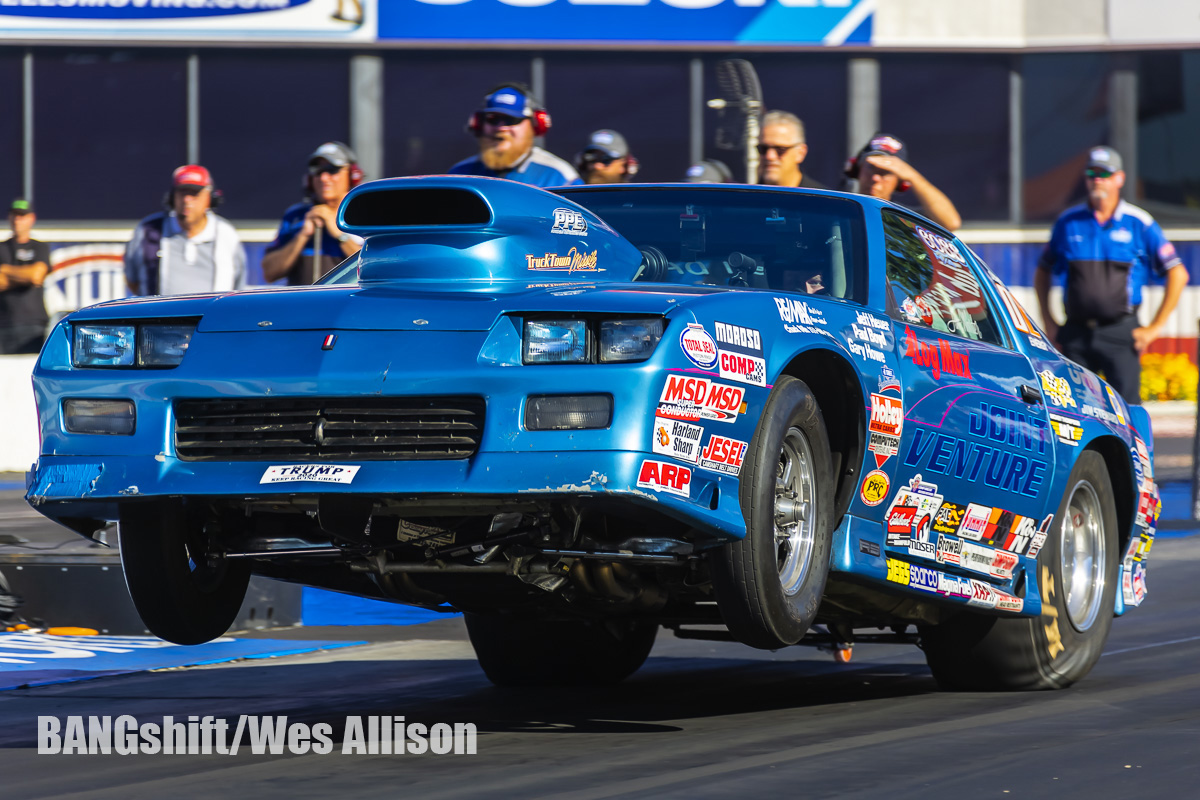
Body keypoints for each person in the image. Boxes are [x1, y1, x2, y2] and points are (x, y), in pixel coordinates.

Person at [1034, 146, 1189, 404]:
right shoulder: (1068, 222)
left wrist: (1154, 328)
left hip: (1120, 334)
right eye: (1092, 173)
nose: (1097, 179)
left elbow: (1178, 273)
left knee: (1127, 411)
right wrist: (1048, 321)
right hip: (1076, 335)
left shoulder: (1139, 223)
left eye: (1104, 173)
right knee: (1073, 410)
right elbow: (1043, 270)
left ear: (1119, 179)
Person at [125, 166, 247, 297]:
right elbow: (132, 280)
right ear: (172, 197)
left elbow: (238, 287)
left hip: (213, 317)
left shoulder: (226, 234)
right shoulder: (149, 230)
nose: (187, 200)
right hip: (159, 316)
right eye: (182, 193)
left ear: (209, 198)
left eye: (194, 193)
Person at [261, 142, 365, 285]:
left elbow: (376, 267)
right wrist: (302, 236)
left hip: (348, 304)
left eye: (332, 170)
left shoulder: (366, 215)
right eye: (317, 170)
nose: (323, 178)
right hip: (304, 305)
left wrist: (339, 234)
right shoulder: (295, 216)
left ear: (353, 175)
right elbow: (269, 273)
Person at [448, 83, 582, 188]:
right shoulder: (458, 175)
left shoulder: (561, 177)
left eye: (511, 120)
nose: (501, 128)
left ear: (535, 126)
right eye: (492, 119)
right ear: (478, 124)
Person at [846, 133, 962, 231]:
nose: (875, 178)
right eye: (871, 168)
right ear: (857, 170)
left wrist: (913, 176)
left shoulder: (905, 219)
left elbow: (950, 223)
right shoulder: (837, 207)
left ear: (900, 181)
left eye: (885, 172)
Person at [0, 199, 50, 354]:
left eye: (22, 216)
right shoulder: (2, 248)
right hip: (4, 323)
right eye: (14, 216)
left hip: (33, 324)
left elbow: (36, 276)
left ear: (31, 219)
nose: (17, 220)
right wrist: (24, 276)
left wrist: (5, 270)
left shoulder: (39, 247)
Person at [758, 110, 825, 189]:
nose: (770, 156)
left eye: (781, 149)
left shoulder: (823, 199)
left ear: (800, 153)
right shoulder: (745, 198)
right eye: (763, 149)